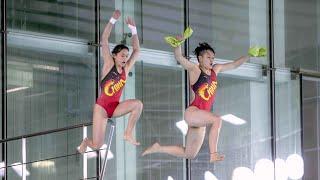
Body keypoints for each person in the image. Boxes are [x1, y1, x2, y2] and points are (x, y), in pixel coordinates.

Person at [143, 35, 254, 162]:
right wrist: (177, 44)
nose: (211, 60)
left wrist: (249, 55)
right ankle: (213, 153)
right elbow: (179, 57)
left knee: (189, 154)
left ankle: (158, 148)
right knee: (217, 120)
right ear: (200, 58)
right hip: (193, 113)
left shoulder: (215, 70)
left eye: (213, 58)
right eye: (208, 57)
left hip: (201, 119)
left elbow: (234, 65)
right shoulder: (195, 70)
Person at [78, 9, 142, 153]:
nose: (125, 58)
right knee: (97, 145)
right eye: (122, 56)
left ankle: (127, 133)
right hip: (101, 109)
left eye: (126, 56)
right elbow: (104, 40)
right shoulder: (108, 64)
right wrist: (112, 20)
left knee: (138, 104)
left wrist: (133, 30)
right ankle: (85, 142)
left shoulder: (125, 69)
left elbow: (137, 50)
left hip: (115, 107)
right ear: (114, 56)